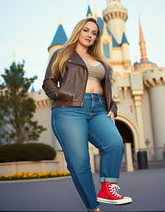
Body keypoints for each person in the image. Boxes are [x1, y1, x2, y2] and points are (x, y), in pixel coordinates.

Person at [42, 17, 132, 212]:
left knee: (115, 143)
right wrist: (62, 96)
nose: (90, 35)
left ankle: (108, 187)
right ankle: (93, 207)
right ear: (78, 31)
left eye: (94, 33)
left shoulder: (101, 62)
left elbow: (105, 87)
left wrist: (112, 107)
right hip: (70, 110)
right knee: (80, 161)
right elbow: (48, 82)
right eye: (86, 30)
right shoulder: (62, 54)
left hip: (98, 109)